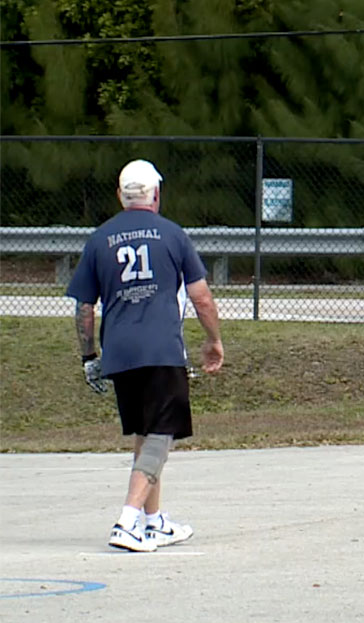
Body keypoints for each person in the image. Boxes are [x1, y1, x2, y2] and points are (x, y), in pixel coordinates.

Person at [65, 159, 224, 553]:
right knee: (161, 435)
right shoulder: (173, 235)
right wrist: (214, 340)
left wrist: (90, 356)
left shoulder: (99, 239)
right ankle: (128, 519)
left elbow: (84, 307)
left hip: (120, 352)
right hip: (161, 349)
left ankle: (154, 522)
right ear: (156, 195)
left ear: (121, 195)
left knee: (145, 433)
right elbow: (201, 296)